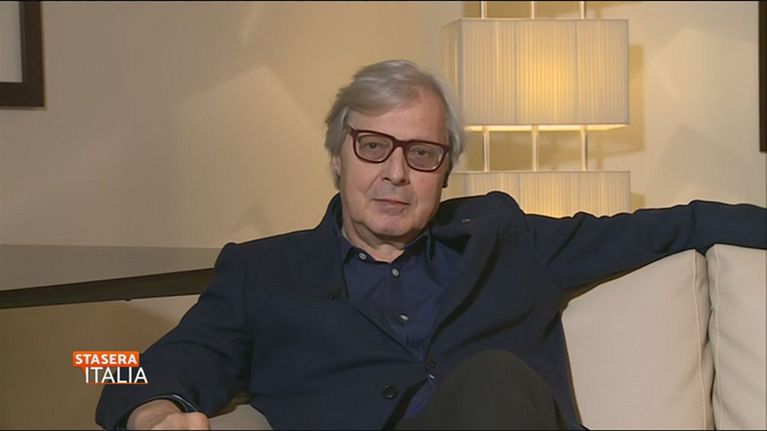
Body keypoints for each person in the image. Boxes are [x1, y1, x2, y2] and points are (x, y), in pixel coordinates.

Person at [96, 59, 766, 430]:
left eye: (421, 153)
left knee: (495, 379)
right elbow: (125, 365)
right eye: (372, 146)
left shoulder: (503, 235)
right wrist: (155, 410)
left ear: (445, 172)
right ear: (337, 158)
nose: (395, 172)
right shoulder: (264, 270)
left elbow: (678, 225)